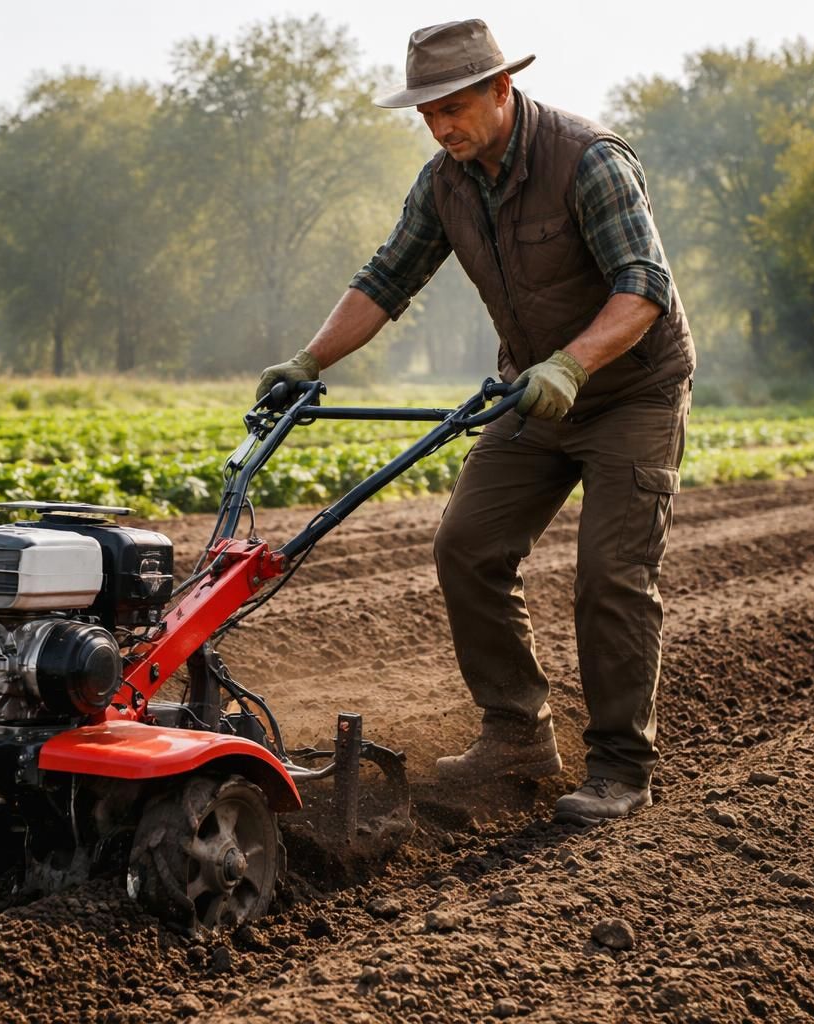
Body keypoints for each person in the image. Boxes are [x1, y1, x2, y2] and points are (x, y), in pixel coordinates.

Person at [255, 19, 695, 825]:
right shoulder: (446, 182)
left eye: (453, 107)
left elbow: (643, 285)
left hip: (631, 390)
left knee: (611, 576)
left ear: (502, 89)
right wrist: (307, 364)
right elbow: (387, 279)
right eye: (428, 115)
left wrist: (571, 364)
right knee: (466, 545)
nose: (442, 126)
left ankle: (623, 768)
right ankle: (518, 731)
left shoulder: (587, 159)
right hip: (532, 390)